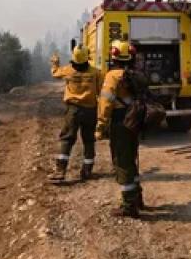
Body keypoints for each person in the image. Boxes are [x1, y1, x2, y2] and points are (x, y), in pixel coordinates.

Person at [95, 40, 148, 217]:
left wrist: (100, 126)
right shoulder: (134, 74)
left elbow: (105, 102)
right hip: (134, 120)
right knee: (131, 159)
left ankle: (129, 206)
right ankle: (137, 198)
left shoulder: (113, 76)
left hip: (120, 122)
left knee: (122, 162)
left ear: (114, 55)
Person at [49, 46, 102, 182]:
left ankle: (60, 171)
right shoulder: (96, 72)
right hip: (90, 110)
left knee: (67, 139)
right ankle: (87, 171)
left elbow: (55, 73)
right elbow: (101, 91)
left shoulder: (68, 70)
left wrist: (55, 63)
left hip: (73, 110)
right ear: (87, 57)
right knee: (89, 140)